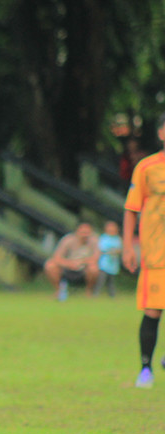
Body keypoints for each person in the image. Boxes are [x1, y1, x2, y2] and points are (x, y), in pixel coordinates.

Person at [123, 111, 165, 388]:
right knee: (153, 310)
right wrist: (128, 245)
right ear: (161, 133)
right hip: (157, 254)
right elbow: (131, 208)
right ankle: (145, 369)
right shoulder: (147, 167)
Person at [43, 222, 100, 300]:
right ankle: (59, 291)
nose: (85, 235)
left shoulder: (95, 241)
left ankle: (89, 291)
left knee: (94, 269)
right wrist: (70, 264)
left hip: (84, 268)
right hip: (68, 267)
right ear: (77, 232)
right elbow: (57, 257)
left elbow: (96, 257)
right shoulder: (67, 240)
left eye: (87, 233)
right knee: (50, 265)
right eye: (83, 233)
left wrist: (82, 262)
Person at [95, 220, 122, 297]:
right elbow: (102, 249)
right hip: (104, 264)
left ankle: (112, 295)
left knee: (111, 282)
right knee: (101, 280)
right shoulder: (103, 238)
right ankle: (96, 295)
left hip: (113, 265)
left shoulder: (117, 239)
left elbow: (119, 249)